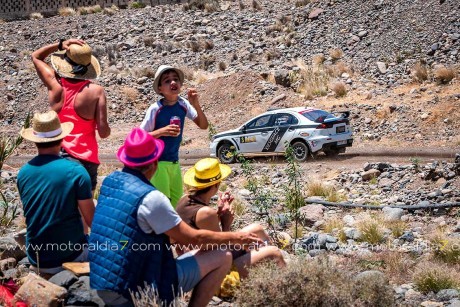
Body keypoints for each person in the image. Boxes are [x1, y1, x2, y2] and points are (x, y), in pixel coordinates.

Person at [88, 128, 261, 307]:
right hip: (134, 288)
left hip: (102, 282)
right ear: (155, 163)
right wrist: (236, 236)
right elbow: (196, 239)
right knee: (223, 255)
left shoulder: (110, 182)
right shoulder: (151, 198)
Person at [176, 158, 286, 278]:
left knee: (257, 228)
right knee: (273, 252)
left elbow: (202, 228)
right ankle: (281, 276)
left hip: (196, 260)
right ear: (216, 184)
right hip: (211, 274)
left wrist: (219, 214)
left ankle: (267, 270)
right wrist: (226, 224)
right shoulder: (206, 213)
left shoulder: (185, 199)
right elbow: (223, 251)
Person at [16, 111, 94, 276]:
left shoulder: (23, 173)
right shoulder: (76, 171)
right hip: (68, 255)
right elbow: (92, 220)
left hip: (36, 258)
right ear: (62, 139)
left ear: (35, 142)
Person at [31, 38, 111, 191]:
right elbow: (104, 132)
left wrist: (60, 45)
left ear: (65, 64)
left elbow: (36, 56)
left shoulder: (56, 85)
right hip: (87, 159)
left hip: (59, 155)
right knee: (84, 210)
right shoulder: (96, 91)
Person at [140, 65, 208, 207]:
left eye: (175, 79)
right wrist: (162, 131)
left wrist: (196, 104)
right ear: (160, 89)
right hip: (158, 164)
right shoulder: (155, 109)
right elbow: (140, 137)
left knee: (177, 203)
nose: (173, 82)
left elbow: (203, 125)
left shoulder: (184, 104)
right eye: (167, 81)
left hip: (174, 162)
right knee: (162, 204)